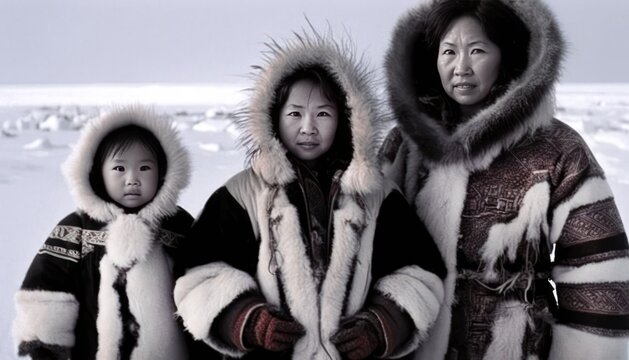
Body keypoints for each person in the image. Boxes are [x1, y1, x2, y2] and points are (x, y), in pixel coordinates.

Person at [174, 30, 447, 360]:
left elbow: (419, 275)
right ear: (273, 117)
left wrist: (379, 326)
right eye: (295, 114)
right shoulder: (241, 195)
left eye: (323, 114)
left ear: (346, 119)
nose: (308, 128)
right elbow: (199, 276)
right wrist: (249, 321)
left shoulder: (377, 196)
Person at [379, 0, 629, 359]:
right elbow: (369, 250)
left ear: (506, 53)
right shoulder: (404, 146)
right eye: (448, 51)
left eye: (477, 50)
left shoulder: (557, 148)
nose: (461, 67)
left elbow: (599, 277)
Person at [12, 106, 208, 359]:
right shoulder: (77, 228)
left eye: (145, 168)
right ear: (97, 174)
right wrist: (46, 346)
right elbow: (47, 285)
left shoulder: (178, 225)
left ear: (163, 172)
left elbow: (202, 282)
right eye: (119, 168)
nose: (132, 179)